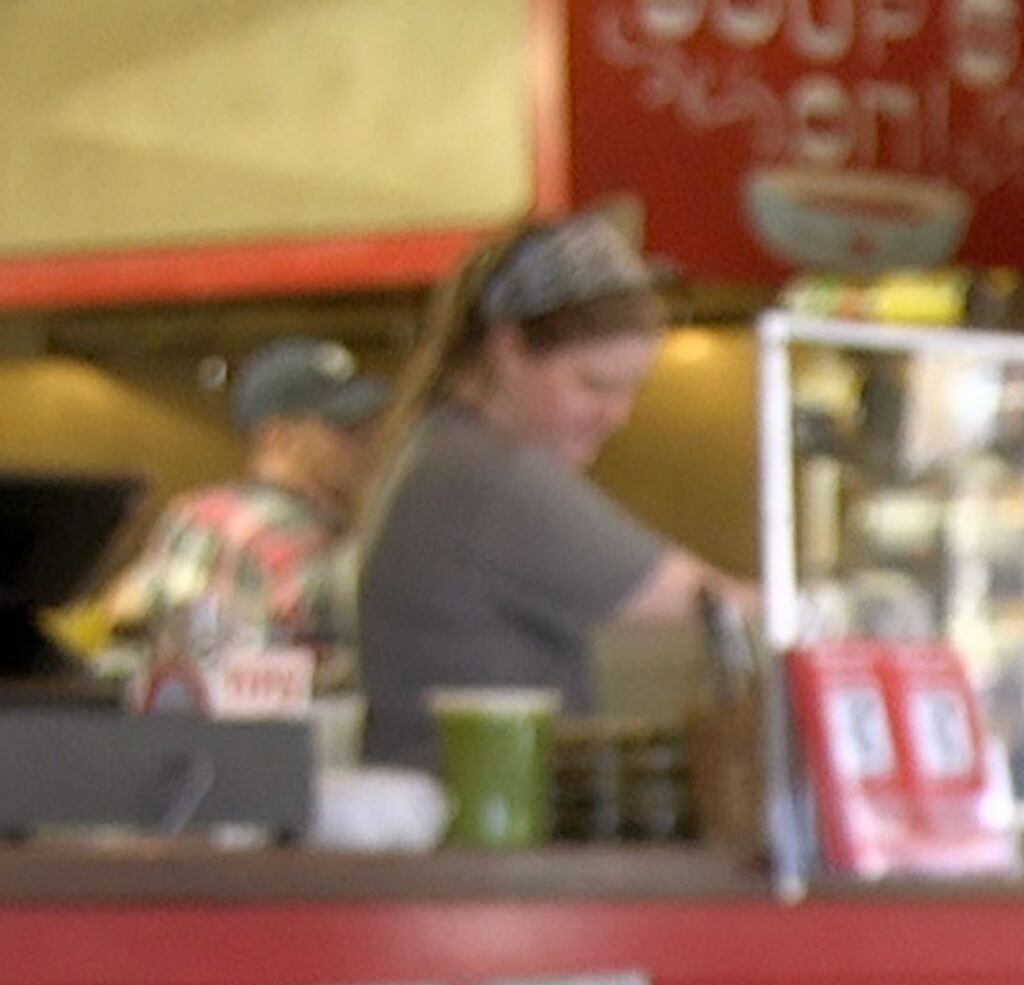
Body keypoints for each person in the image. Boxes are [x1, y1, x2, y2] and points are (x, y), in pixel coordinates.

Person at [353, 212, 739, 770]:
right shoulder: (484, 476)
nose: (618, 415)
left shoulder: (442, 449)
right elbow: (710, 605)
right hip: (475, 829)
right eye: (595, 384)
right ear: (508, 351)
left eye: (631, 390)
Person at [96, 337, 387, 665]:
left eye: (369, 427)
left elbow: (125, 613)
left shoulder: (194, 514)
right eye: (346, 430)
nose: (369, 444)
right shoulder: (278, 530)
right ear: (278, 437)